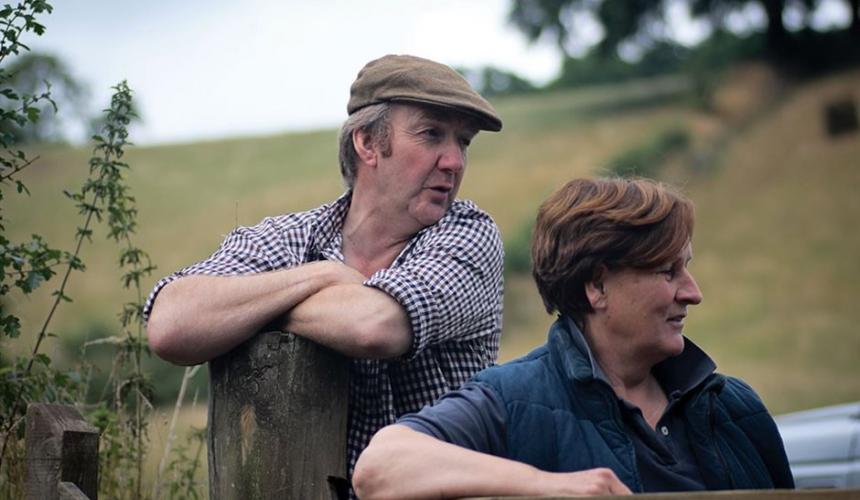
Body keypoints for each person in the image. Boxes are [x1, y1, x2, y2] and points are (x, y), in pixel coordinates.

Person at [144, 54, 505, 485]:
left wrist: (257, 309)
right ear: (367, 142)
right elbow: (170, 324)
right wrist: (322, 276)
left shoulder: (467, 235)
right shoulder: (287, 239)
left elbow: (374, 326)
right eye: (432, 134)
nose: (455, 162)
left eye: (463, 142)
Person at [353, 177, 794, 499]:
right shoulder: (515, 399)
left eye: (687, 268)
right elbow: (380, 467)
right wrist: (547, 486)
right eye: (667, 271)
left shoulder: (737, 408)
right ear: (597, 286)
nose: (692, 293)